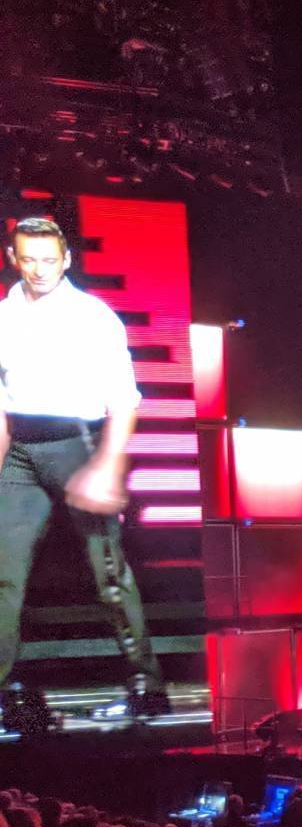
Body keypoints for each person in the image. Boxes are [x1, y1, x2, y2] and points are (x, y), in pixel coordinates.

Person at [0, 215, 166, 729]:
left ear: (66, 259)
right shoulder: (4, 314)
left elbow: (124, 400)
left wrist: (107, 467)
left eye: (49, 260)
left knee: (108, 575)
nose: (39, 269)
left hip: (79, 443)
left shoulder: (93, 317)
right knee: (3, 573)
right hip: (21, 451)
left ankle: (146, 683)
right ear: (13, 258)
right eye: (30, 259)